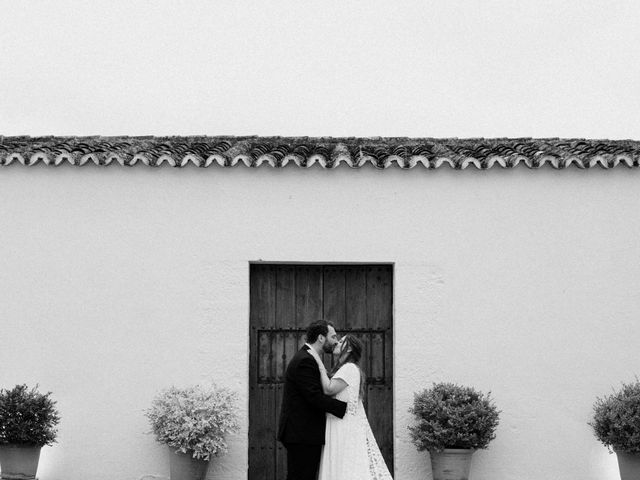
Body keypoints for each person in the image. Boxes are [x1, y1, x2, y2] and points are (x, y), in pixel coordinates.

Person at [315, 334, 393, 480]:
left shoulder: (349, 368)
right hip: (340, 423)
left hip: (343, 426)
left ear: (349, 348)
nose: (337, 342)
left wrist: (318, 365)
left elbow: (329, 389)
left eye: (342, 341)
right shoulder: (347, 368)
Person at [277, 320, 348, 480]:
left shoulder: (309, 357)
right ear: (321, 338)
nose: (336, 341)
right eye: (333, 336)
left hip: (304, 433)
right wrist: (345, 408)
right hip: (302, 434)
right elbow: (314, 397)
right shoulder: (305, 360)